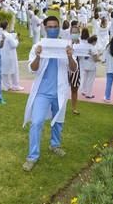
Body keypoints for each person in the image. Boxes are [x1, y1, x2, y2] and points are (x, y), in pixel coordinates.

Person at [22, 15, 77, 172]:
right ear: (45, 28)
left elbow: (73, 68)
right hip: (42, 92)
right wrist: (38, 56)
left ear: (59, 28)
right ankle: (32, 156)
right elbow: (32, 68)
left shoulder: (65, 45)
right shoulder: (38, 46)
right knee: (37, 122)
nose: (53, 29)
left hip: (59, 90)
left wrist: (69, 55)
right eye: (50, 27)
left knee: (58, 120)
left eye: (56, 26)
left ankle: (55, 145)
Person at [0, 20, 24, 91]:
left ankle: (6, 85)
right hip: (10, 55)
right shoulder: (8, 35)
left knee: (4, 71)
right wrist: (16, 39)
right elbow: (14, 45)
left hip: (2, 55)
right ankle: (15, 85)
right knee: (14, 71)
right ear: (7, 26)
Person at [79, 34, 100, 99]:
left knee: (84, 78)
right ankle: (88, 94)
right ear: (94, 41)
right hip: (91, 66)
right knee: (90, 80)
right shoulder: (93, 48)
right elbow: (95, 59)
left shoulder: (84, 47)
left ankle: (83, 90)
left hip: (84, 65)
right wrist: (100, 59)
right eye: (96, 41)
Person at [68, 25, 82, 115]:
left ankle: (74, 108)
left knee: (74, 88)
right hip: (66, 66)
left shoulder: (81, 44)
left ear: (79, 33)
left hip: (76, 68)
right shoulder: (67, 43)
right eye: (73, 32)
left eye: (76, 32)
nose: (74, 34)